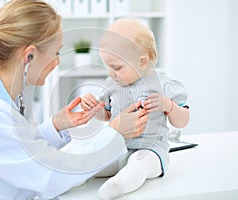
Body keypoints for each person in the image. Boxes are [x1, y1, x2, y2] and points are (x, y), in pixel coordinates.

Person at [0, 1, 149, 199]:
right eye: (56, 52)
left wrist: (55, 126)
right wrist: (114, 134)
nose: (58, 61)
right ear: (29, 56)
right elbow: (50, 174)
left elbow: (16, 152)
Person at [81, 18, 190, 200]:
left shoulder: (165, 85)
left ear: (142, 62)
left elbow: (183, 120)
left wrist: (169, 106)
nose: (110, 73)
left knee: (141, 164)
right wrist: (93, 110)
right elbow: (107, 115)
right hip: (118, 148)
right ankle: (73, 178)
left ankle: (119, 185)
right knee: (92, 165)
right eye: (107, 66)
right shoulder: (112, 84)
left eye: (116, 67)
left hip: (151, 149)